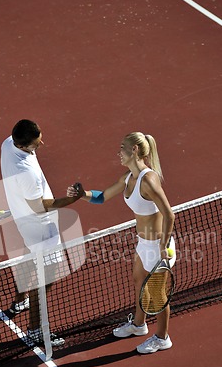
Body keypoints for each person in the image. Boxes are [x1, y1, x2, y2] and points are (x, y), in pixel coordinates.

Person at [67, 132, 176, 354]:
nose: (119, 152)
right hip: (143, 242)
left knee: (157, 294)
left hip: (158, 247)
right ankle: (138, 325)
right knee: (138, 281)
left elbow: (169, 214)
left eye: (122, 148)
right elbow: (102, 196)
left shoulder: (149, 180)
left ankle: (162, 337)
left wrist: (164, 247)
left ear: (134, 150)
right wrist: (81, 194)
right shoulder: (128, 178)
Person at [1, 119, 83, 346]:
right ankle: (35, 330)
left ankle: (18, 302)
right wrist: (71, 199)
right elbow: (40, 206)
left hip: (23, 220)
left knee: (28, 261)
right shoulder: (26, 172)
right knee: (46, 279)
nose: (41, 144)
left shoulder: (7, 144)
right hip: (41, 227)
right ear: (23, 146)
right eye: (36, 144)